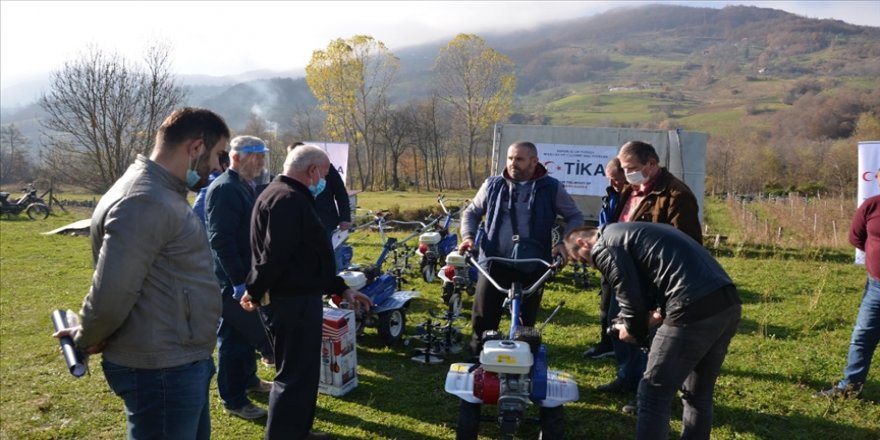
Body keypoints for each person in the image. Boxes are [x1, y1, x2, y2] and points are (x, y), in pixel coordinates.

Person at [52, 108, 231, 439]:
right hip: (161, 368)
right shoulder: (145, 198)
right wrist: (86, 337)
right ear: (196, 147)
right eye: (221, 155)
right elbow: (113, 290)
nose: (221, 167)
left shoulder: (160, 193)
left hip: (177, 360)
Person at [240, 144, 372, 440]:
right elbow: (274, 257)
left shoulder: (285, 194)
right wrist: (254, 289)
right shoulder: (287, 199)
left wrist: (340, 288)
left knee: (304, 373)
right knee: (293, 375)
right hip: (290, 302)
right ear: (312, 171)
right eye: (325, 174)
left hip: (298, 297)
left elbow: (308, 257)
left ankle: (298, 431)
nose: (325, 181)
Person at [565, 222, 741, 440]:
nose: (590, 266)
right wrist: (656, 312)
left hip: (690, 307)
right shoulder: (628, 232)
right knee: (698, 394)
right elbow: (657, 278)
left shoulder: (605, 245)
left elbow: (629, 297)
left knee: (653, 394)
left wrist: (632, 330)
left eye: (583, 260)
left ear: (583, 242)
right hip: (726, 300)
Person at [600, 141, 703, 414]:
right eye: (624, 169)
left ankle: (651, 394)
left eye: (632, 168)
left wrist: (664, 293)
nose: (627, 174)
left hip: (654, 281)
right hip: (623, 275)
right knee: (622, 332)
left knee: (652, 341)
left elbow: (689, 245)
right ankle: (628, 377)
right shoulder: (629, 190)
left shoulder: (676, 196)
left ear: (652, 164)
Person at [459, 140, 584, 355]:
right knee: (483, 320)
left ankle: (522, 365)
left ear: (534, 161)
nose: (512, 163)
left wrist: (564, 243)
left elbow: (575, 216)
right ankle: (479, 363)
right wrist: (469, 237)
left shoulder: (551, 187)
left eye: (519, 159)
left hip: (533, 264)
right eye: (510, 158)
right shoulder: (493, 184)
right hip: (493, 262)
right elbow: (471, 212)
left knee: (526, 325)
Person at [205, 135, 274, 419]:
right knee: (233, 338)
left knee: (246, 334)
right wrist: (237, 282)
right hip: (230, 279)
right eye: (254, 156)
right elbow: (221, 240)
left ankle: (249, 380)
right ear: (236, 157)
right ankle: (234, 400)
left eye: (262, 156)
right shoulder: (224, 189)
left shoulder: (245, 185)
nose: (260, 162)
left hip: (247, 274)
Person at [815, 190, 880, 398]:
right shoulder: (872, 206)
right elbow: (856, 237)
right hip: (876, 287)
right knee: (862, 336)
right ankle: (849, 388)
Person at [582, 157, 626, 360]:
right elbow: (603, 225)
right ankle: (606, 343)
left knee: (622, 308)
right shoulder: (610, 196)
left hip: (625, 261)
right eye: (609, 179)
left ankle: (623, 348)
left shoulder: (634, 200)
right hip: (608, 259)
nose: (611, 184)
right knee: (606, 305)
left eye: (615, 180)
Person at [288, 142, 352, 270]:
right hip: (301, 226)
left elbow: (340, 192)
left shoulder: (325, 168)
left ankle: (334, 284)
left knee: (331, 260)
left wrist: (345, 217)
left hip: (326, 223)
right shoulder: (289, 173)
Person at [193, 149, 230, 223]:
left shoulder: (208, 180)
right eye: (230, 165)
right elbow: (199, 211)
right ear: (224, 165)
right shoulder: (218, 183)